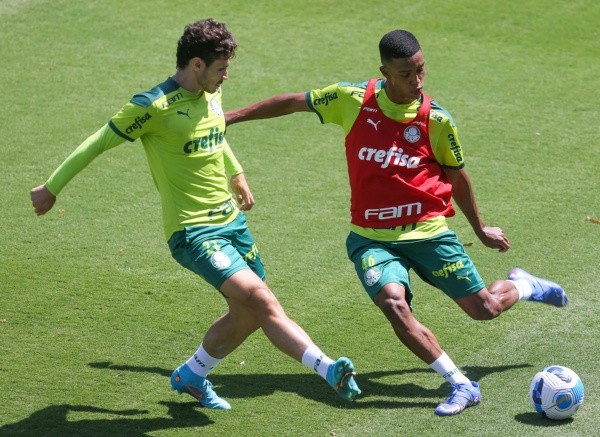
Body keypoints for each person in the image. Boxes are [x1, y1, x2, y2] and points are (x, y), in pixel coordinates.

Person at [224, 29, 569, 416]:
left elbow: (457, 177)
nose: (417, 81)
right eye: (406, 74)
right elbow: (293, 101)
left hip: (428, 232)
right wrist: (231, 117)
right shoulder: (352, 100)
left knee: (484, 309)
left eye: (421, 70)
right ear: (385, 72)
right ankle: (460, 383)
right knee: (394, 303)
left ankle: (522, 285)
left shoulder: (436, 119)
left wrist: (480, 229)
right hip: (371, 238)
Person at [30, 18, 361, 410]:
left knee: (248, 314)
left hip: (232, 223)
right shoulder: (153, 106)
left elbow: (214, 133)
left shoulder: (211, 92)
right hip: (193, 232)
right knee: (261, 299)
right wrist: (51, 187)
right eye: (221, 68)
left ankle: (192, 375)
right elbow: (98, 142)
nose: (226, 75)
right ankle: (329, 369)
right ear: (196, 64)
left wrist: (236, 173)